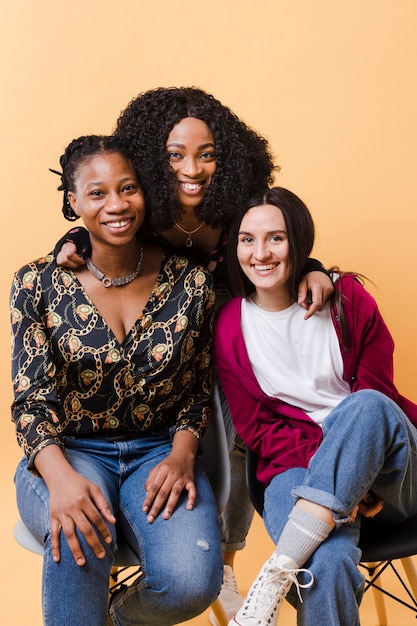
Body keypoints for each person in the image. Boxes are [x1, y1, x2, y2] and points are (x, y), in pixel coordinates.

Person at [53, 87, 335, 624]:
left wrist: (314, 266)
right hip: (166, 344)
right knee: (198, 429)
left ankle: (226, 560)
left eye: (206, 154)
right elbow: (101, 226)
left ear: (226, 158)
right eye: (175, 154)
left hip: (232, 328)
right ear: (151, 159)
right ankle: (194, 554)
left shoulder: (235, 207)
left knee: (245, 430)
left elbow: (275, 240)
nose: (193, 168)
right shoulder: (140, 206)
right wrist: (74, 239)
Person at [10, 134, 223, 626]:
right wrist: (61, 480)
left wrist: (182, 454)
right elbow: (30, 400)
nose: (117, 205)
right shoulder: (36, 282)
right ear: (73, 200)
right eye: (98, 193)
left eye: (128, 188)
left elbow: (196, 390)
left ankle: (115, 620)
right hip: (69, 451)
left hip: (157, 452)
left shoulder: (191, 283)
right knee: (79, 534)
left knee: (191, 582)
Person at [214, 186, 417, 626]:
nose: (260, 253)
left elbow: (379, 393)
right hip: (298, 473)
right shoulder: (230, 327)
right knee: (325, 565)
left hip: (393, 474)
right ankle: (282, 575)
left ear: (298, 243)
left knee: (365, 405)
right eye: (247, 239)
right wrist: (341, 478)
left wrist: (358, 472)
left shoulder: (348, 300)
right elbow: (260, 431)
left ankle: (275, 572)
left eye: (276, 238)